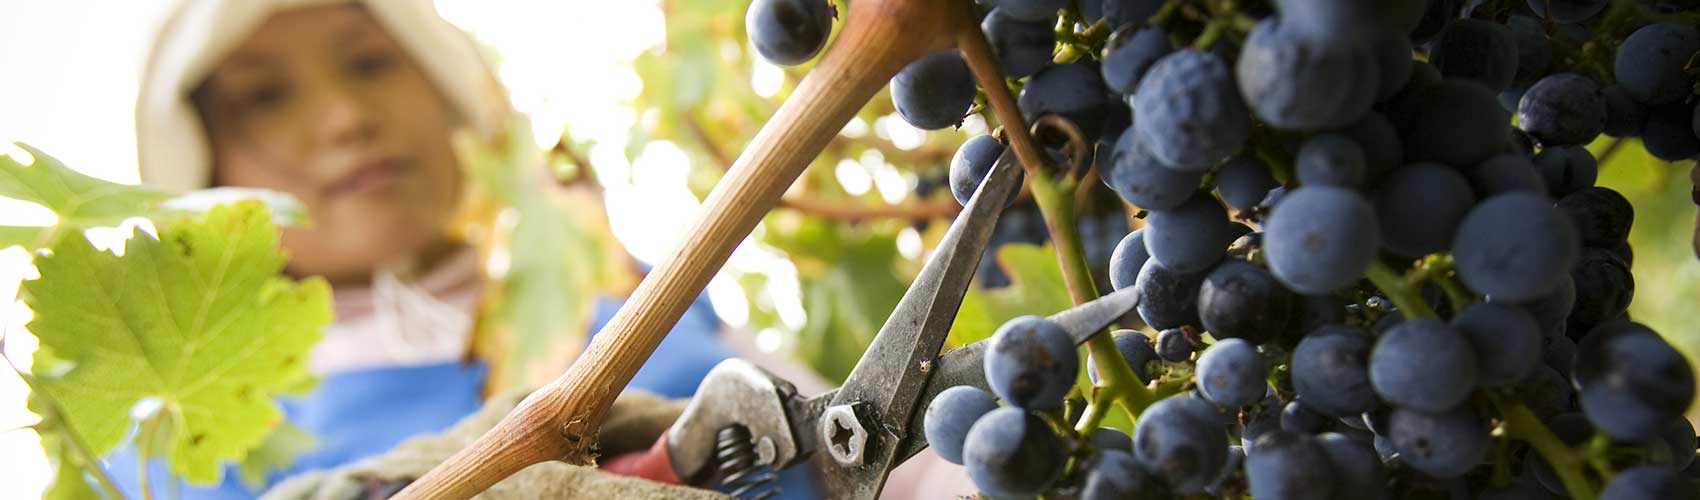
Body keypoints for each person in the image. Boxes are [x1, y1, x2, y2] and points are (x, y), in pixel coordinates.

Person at [112, 0, 974, 498]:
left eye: (370, 63)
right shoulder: (163, 446)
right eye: (265, 97)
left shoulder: (632, 299)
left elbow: (898, 458)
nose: (343, 117)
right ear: (205, 168)